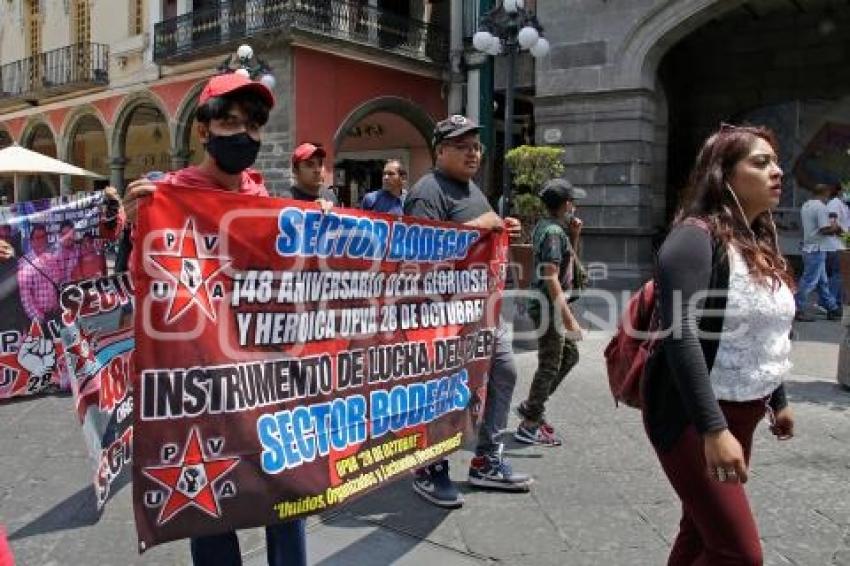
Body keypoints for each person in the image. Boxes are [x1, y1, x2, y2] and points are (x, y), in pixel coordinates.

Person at [122, 71, 307, 566]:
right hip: (201, 385)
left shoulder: (268, 201)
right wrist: (134, 223)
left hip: (270, 379)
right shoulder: (166, 196)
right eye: (229, 122)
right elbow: (140, 289)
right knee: (210, 508)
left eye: (253, 124)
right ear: (203, 131)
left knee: (290, 495)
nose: (243, 135)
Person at [645, 124, 795, 565]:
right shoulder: (694, 237)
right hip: (694, 416)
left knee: (699, 530)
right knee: (739, 553)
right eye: (760, 162)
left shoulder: (759, 239)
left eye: (776, 160)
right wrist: (713, 429)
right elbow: (681, 332)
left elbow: (765, 329)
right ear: (723, 174)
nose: (777, 171)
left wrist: (778, 396)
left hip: (745, 411)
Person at [403, 114, 532, 509]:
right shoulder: (427, 192)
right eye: (462, 146)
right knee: (443, 390)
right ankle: (430, 466)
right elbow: (419, 255)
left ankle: (486, 458)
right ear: (440, 151)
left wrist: (504, 229)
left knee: (504, 372)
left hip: (483, 309)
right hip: (444, 317)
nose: (473, 152)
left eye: (476, 146)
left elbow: (484, 232)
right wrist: (482, 226)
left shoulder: (471, 188)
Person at [514, 179, 585, 446]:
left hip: (546, 305)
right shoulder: (553, 232)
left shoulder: (548, 227)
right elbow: (551, 276)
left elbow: (566, 264)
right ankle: (530, 424)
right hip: (548, 307)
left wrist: (575, 236)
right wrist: (570, 320)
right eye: (571, 201)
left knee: (569, 355)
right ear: (566, 204)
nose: (574, 206)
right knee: (550, 363)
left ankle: (532, 405)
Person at [794, 183, 842, 322]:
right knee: (809, 281)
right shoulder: (820, 207)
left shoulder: (806, 205)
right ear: (825, 193)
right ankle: (797, 308)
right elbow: (824, 229)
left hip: (810, 247)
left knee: (822, 281)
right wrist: (837, 228)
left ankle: (832, 308)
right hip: (816, 249)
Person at [281, 142, 338, 209]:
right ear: (295, 171)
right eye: (309, 165)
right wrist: (313, 207)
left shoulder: (330, 197)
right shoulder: (287, 200)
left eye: (320, 164)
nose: (317, 170)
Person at [823, 183, 849, 307]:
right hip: (834, 245)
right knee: (837, 275)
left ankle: (836, 302)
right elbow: (832, 224)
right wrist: (844, 234)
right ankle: (829, 302)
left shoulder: (844, 206)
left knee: (840, 275)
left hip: (841, 245)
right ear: (839, 191)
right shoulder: (834, 204)